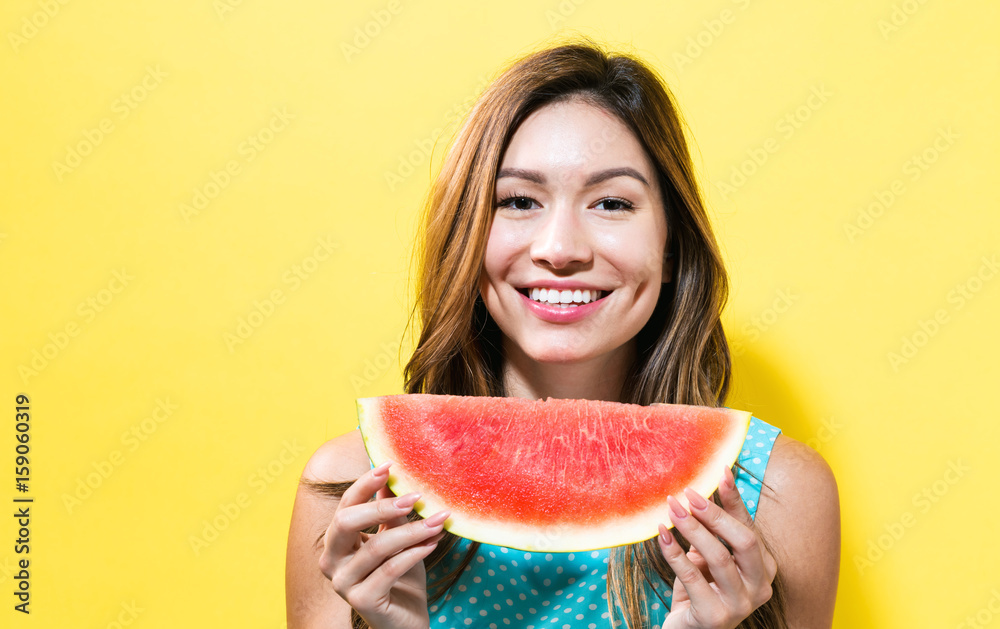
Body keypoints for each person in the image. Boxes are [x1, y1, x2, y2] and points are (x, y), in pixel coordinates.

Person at [285, 38, 840, 629]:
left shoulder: (779, 496)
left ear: (672, 247)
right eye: (519, 200)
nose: (560, 250)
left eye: (611, 203)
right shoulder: (354, 497)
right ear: (468, 235)